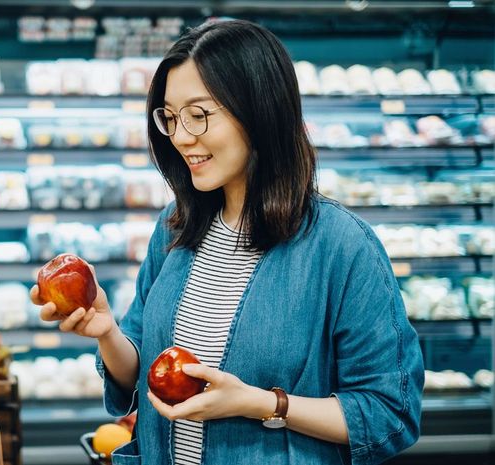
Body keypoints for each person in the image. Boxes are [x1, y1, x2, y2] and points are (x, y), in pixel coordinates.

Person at [30, 19, 424, 465]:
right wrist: (106, 333)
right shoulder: (175, 228)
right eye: (171, 117)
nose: (180, 137)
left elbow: (391, 412)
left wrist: (263, 404)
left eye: (199, 115)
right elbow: (141, 375)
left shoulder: (341, 247)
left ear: (259, 109)